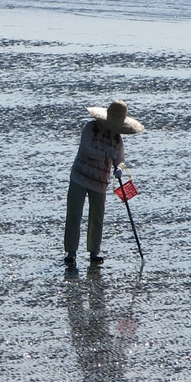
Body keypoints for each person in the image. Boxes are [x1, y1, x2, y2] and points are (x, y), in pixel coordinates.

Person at [64, 100, 144, 266]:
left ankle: (94, 252)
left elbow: (120, 158)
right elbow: (86, 149)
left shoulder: (116, 138)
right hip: (80, 176)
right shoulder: (90, 128)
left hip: (100, 181)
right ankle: (71, 252)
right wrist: (105, 154)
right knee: (74, 214)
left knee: (97, 217)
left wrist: (119, 168)